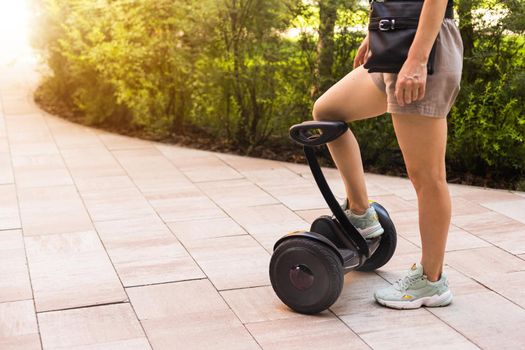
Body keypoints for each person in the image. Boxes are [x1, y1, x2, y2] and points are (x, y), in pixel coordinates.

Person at [312, 0, 463, 309]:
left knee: (427, 176)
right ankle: (360, 213)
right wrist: (375, 33)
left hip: (423, 48)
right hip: (393, 41)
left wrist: (418, 59)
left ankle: (431, 281)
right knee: (326, 111)